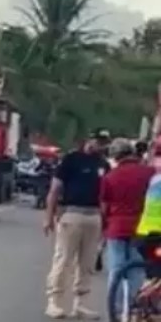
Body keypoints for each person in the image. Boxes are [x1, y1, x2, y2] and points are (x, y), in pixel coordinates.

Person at [44, 129, 112, 319]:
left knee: (86, 263)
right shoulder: (71, 160)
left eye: (104, 142)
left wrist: (106, 221)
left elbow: (106, 195)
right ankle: (54, 301)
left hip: (94, 215)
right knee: (64, 259)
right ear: (89, 140)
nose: (100, 145)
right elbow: (55, 189)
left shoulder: (103, 164)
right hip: (71, 213)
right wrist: (48, 216)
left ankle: (80, 303)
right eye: (98, 141)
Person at [100, 138, 155, 317]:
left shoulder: (110, 177)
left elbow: (104, 205)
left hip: (116, 228)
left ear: (115, 157)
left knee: (116, 269)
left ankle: (115, 310)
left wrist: (104, 226)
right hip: (142, 228)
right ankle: (131, 307)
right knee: (137, 270)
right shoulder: (149, 173)